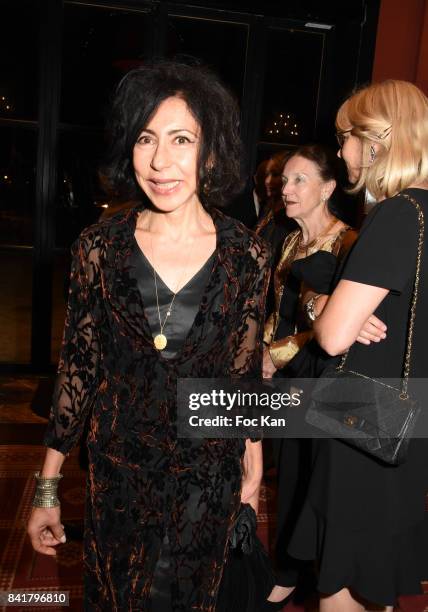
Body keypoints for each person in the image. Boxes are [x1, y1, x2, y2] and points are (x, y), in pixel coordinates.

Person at [27, 60, 270, 611]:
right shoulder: (99, 246)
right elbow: (77, 373)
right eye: (145, 139)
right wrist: (47, 490)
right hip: (119, 480)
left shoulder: (247, 256)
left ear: (209, 152)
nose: (161, 161)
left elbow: (243, 372)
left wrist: (252, 465)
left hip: (206, 481)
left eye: (181, 139)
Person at [289, 79, 428, 611]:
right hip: (406, 426)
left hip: (364, 428)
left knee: (342, 589)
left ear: (377, 141)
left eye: (346, 136)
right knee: (376, 586)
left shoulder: (397, 214)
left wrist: (324, 309)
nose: (341, 149)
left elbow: (332, 336)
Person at [261, 144, 357, 609]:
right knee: (286, 474)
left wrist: (275, 355)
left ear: (328, 188)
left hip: (324, 380)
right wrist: (261, 350)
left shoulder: (348, 244)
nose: (287, 189)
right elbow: (279, 312)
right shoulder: (288, 240)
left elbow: (330, 329)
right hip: (282, 375)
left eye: (300, 180)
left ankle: (319, 573)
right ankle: (287, 567)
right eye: (285, 181)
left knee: (314, 479)